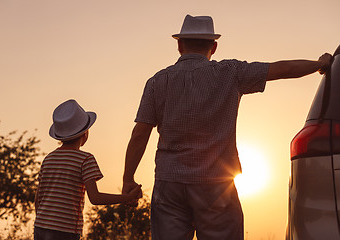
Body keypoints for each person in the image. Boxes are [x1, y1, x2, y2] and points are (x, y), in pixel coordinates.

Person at [121, 15, 333, 240]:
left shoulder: (157, 81)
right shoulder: (230, 72)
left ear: (179, 45)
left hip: (169, 182)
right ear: (214, 46)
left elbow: (140, 133)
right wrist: (319, 64)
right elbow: (281, 69)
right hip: (216, 185)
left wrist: (128, 180)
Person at [34, 99, 142, 240]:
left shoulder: (48, 159)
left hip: (40, 227)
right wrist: (126, 198)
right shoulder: (85, 159)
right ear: (85, 133)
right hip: (65, 231)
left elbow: (38, 199)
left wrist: (45, 221)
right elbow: (95, 198)